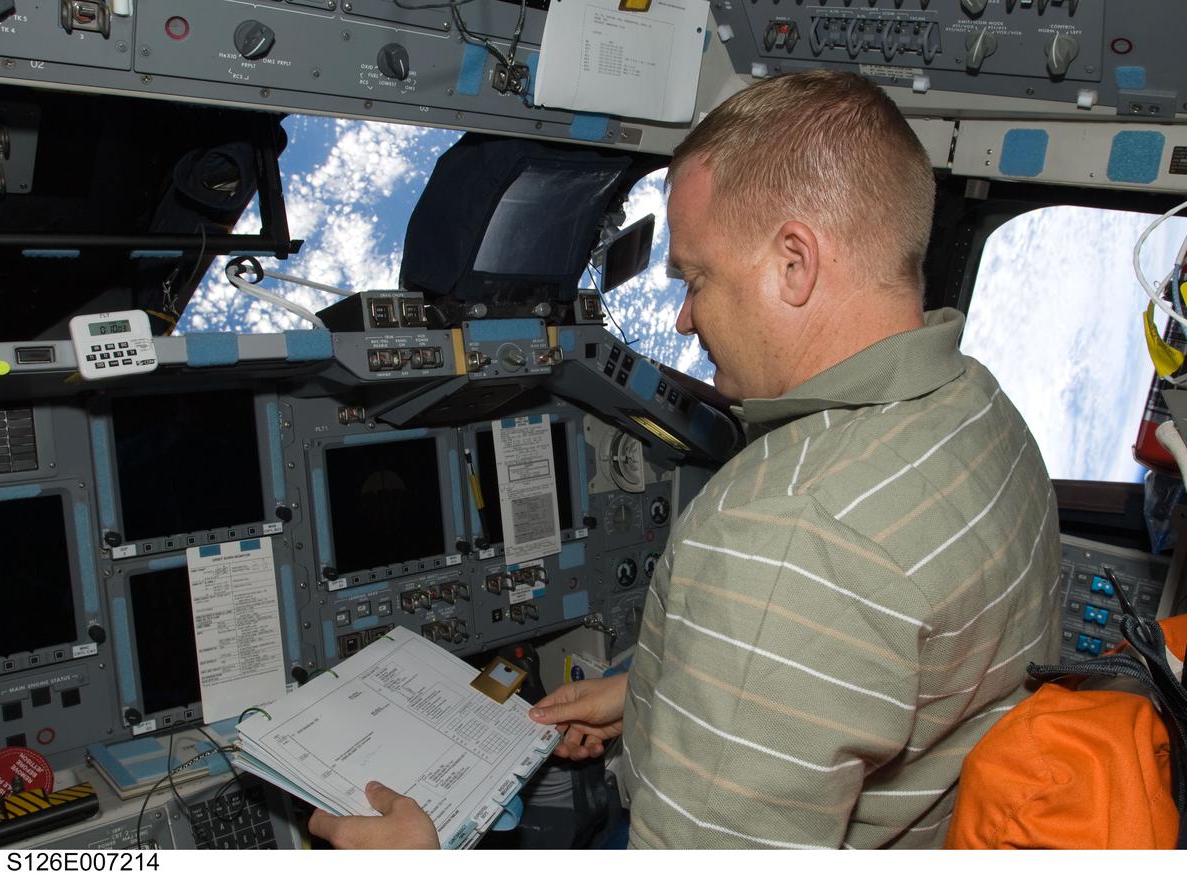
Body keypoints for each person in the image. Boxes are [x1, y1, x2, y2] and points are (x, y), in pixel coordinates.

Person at [309, 69, 1062, 850]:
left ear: (795, 263)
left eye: (697, 278)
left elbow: (800, 603)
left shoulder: (784, 533)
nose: (682, 318)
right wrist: (654, 697)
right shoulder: (980, 411)